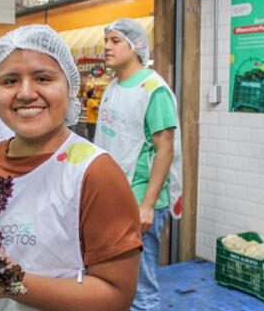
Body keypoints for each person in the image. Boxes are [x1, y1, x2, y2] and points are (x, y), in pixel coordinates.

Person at [0, 24, 141, 311]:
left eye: (42, 78)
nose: (25, 93)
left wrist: (11, 282)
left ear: (69, 87)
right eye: (10, 81)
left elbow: (116, 296)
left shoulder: (93, 172)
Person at [94, 18, 178, 311]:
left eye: (115, 41)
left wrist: (147, 205)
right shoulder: (114, 87)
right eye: (106, 40)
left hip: (139, 202)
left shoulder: (153, 89)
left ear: (136, 45)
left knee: (141, 289)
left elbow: (165, 150)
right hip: (114, 198)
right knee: (117, 282)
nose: (106, 47)